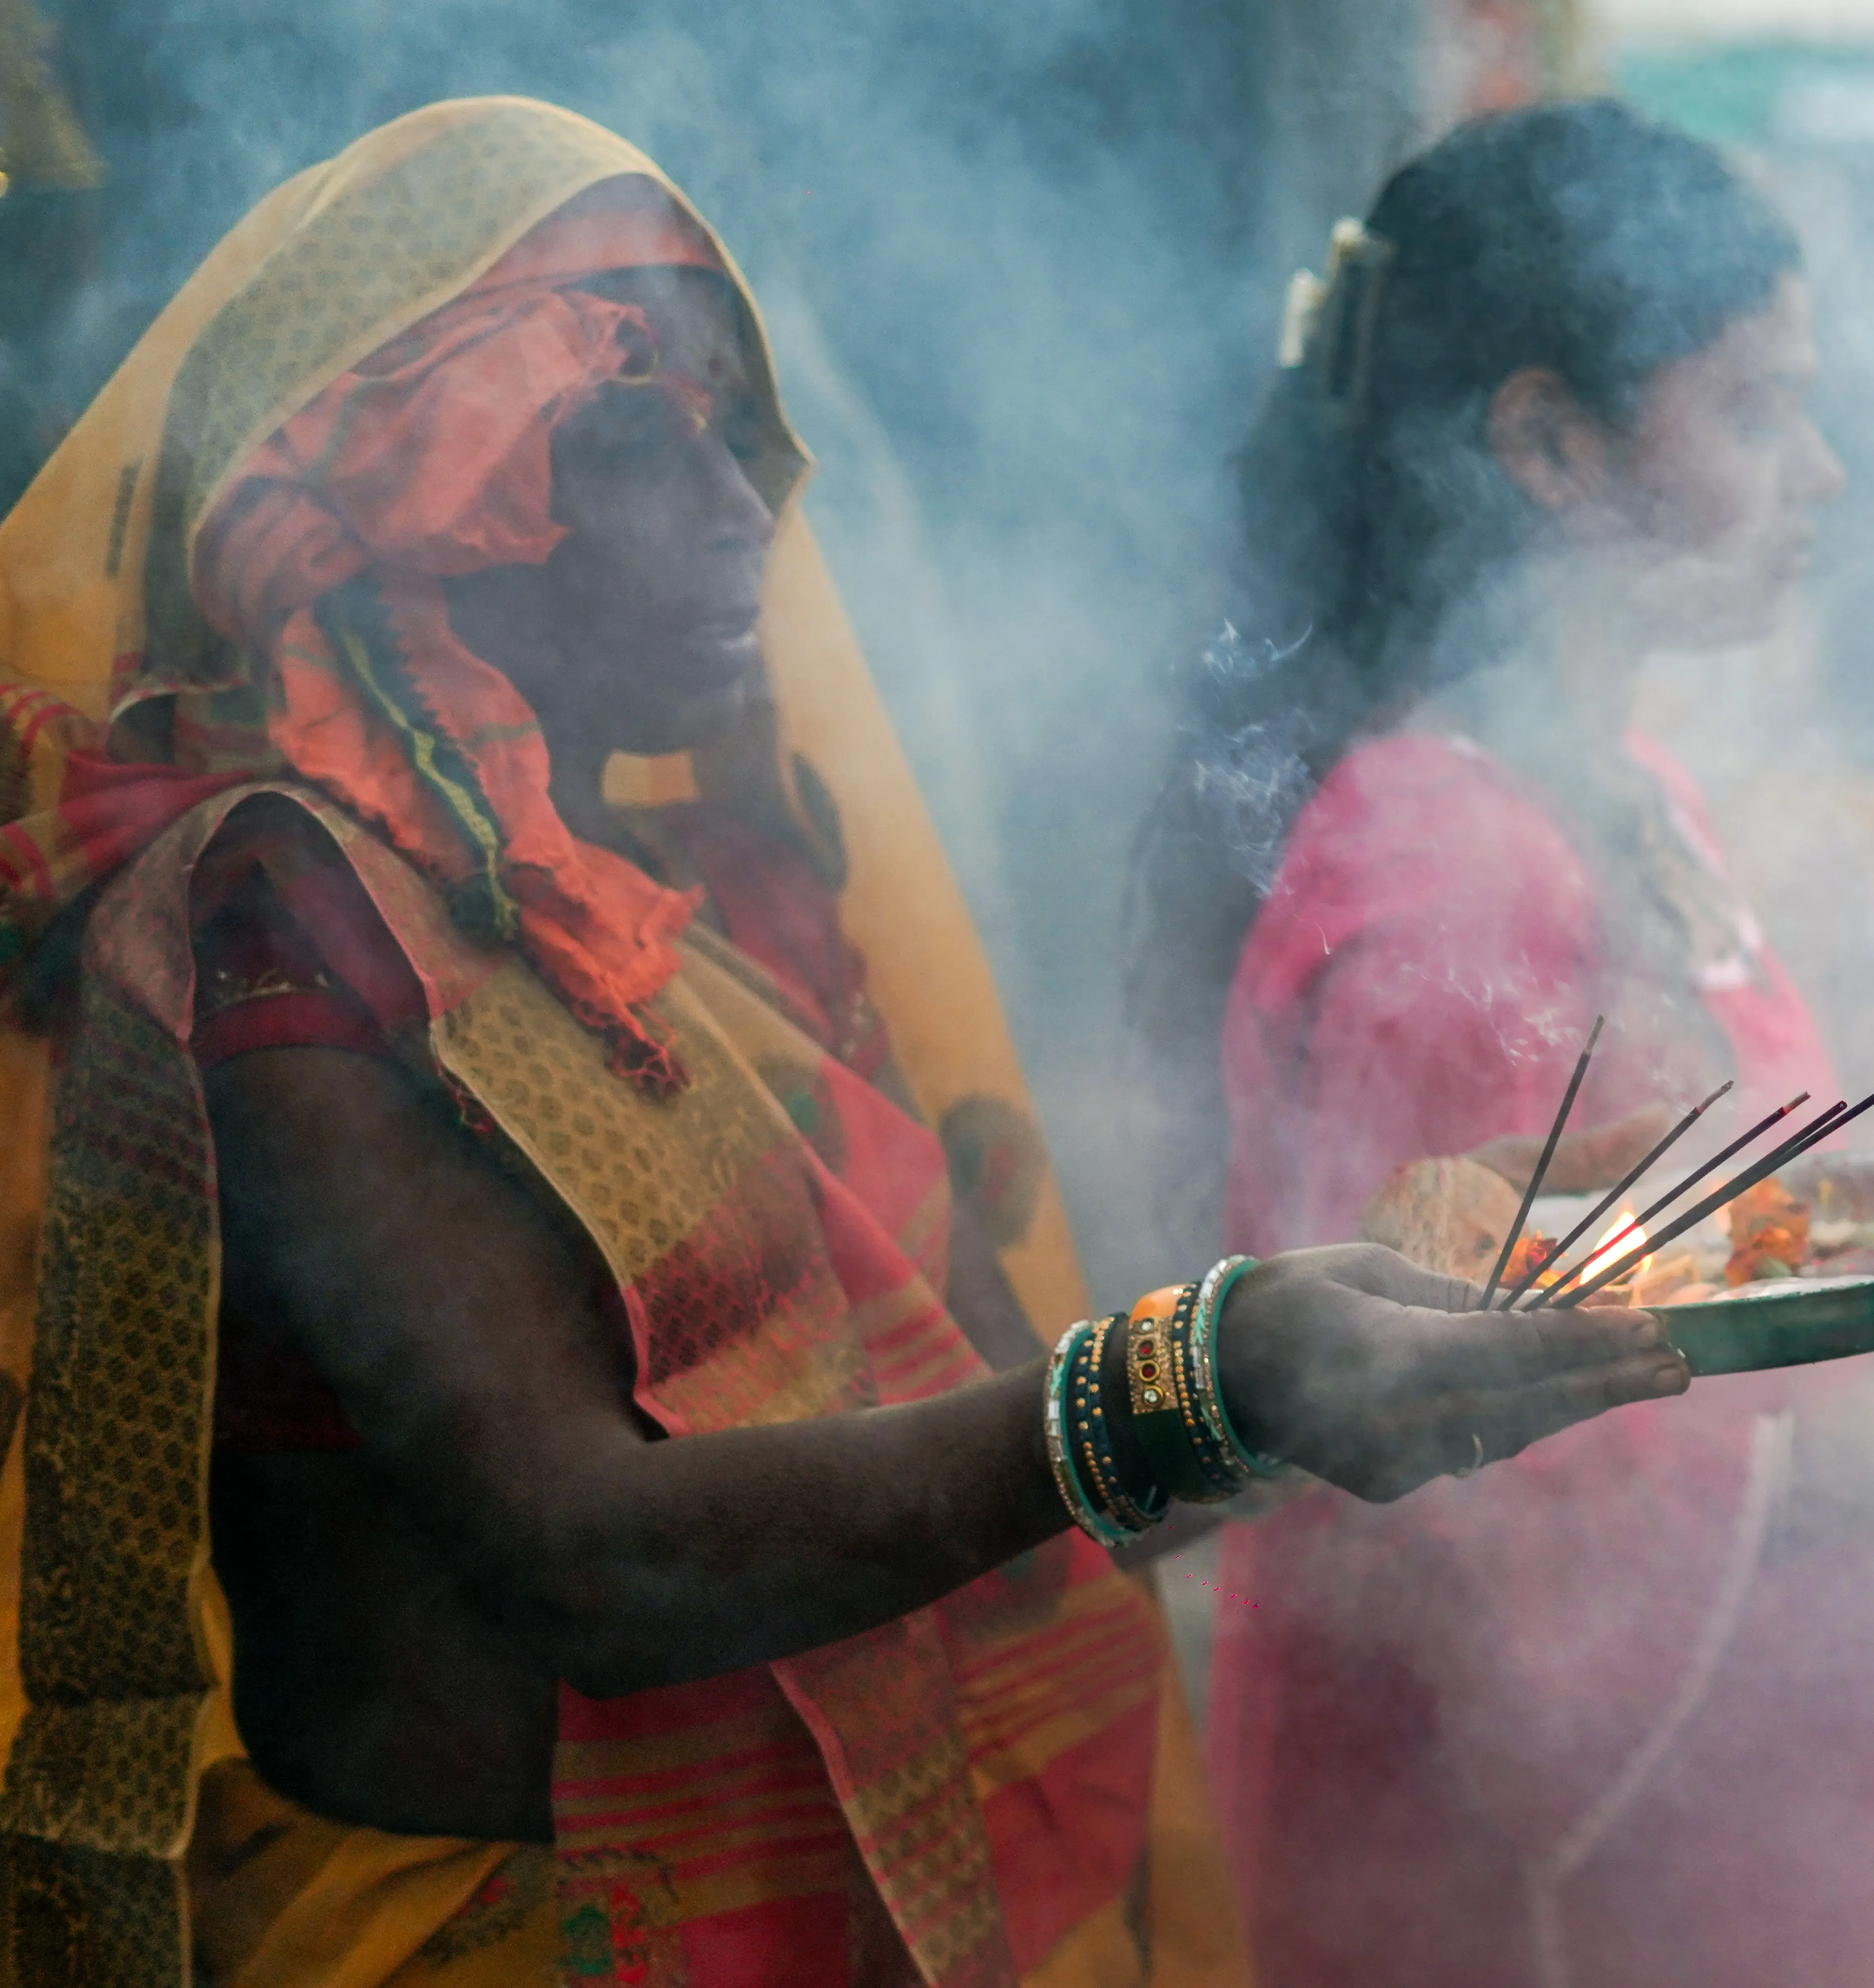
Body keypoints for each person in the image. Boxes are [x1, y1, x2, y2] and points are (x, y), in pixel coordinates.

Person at [0, 97, 1690, 1988]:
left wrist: (1302, 1372)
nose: (751, 514)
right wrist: (1206, 1382)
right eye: (642, 441)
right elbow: (587, 1554)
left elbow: (928, 1434)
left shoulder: (644, 913)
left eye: (741, 441)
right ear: (412, 499)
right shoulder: (283, 918)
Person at [1133, 101, 1874, 1988]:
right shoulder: (1452, 880)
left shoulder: (1619, 789)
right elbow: (1524, 1517)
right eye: (1754, 411)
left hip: (1746, 1792)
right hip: (1539, 1905)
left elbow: (1715, 1260)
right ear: (1547, 446)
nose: (1822, 473)